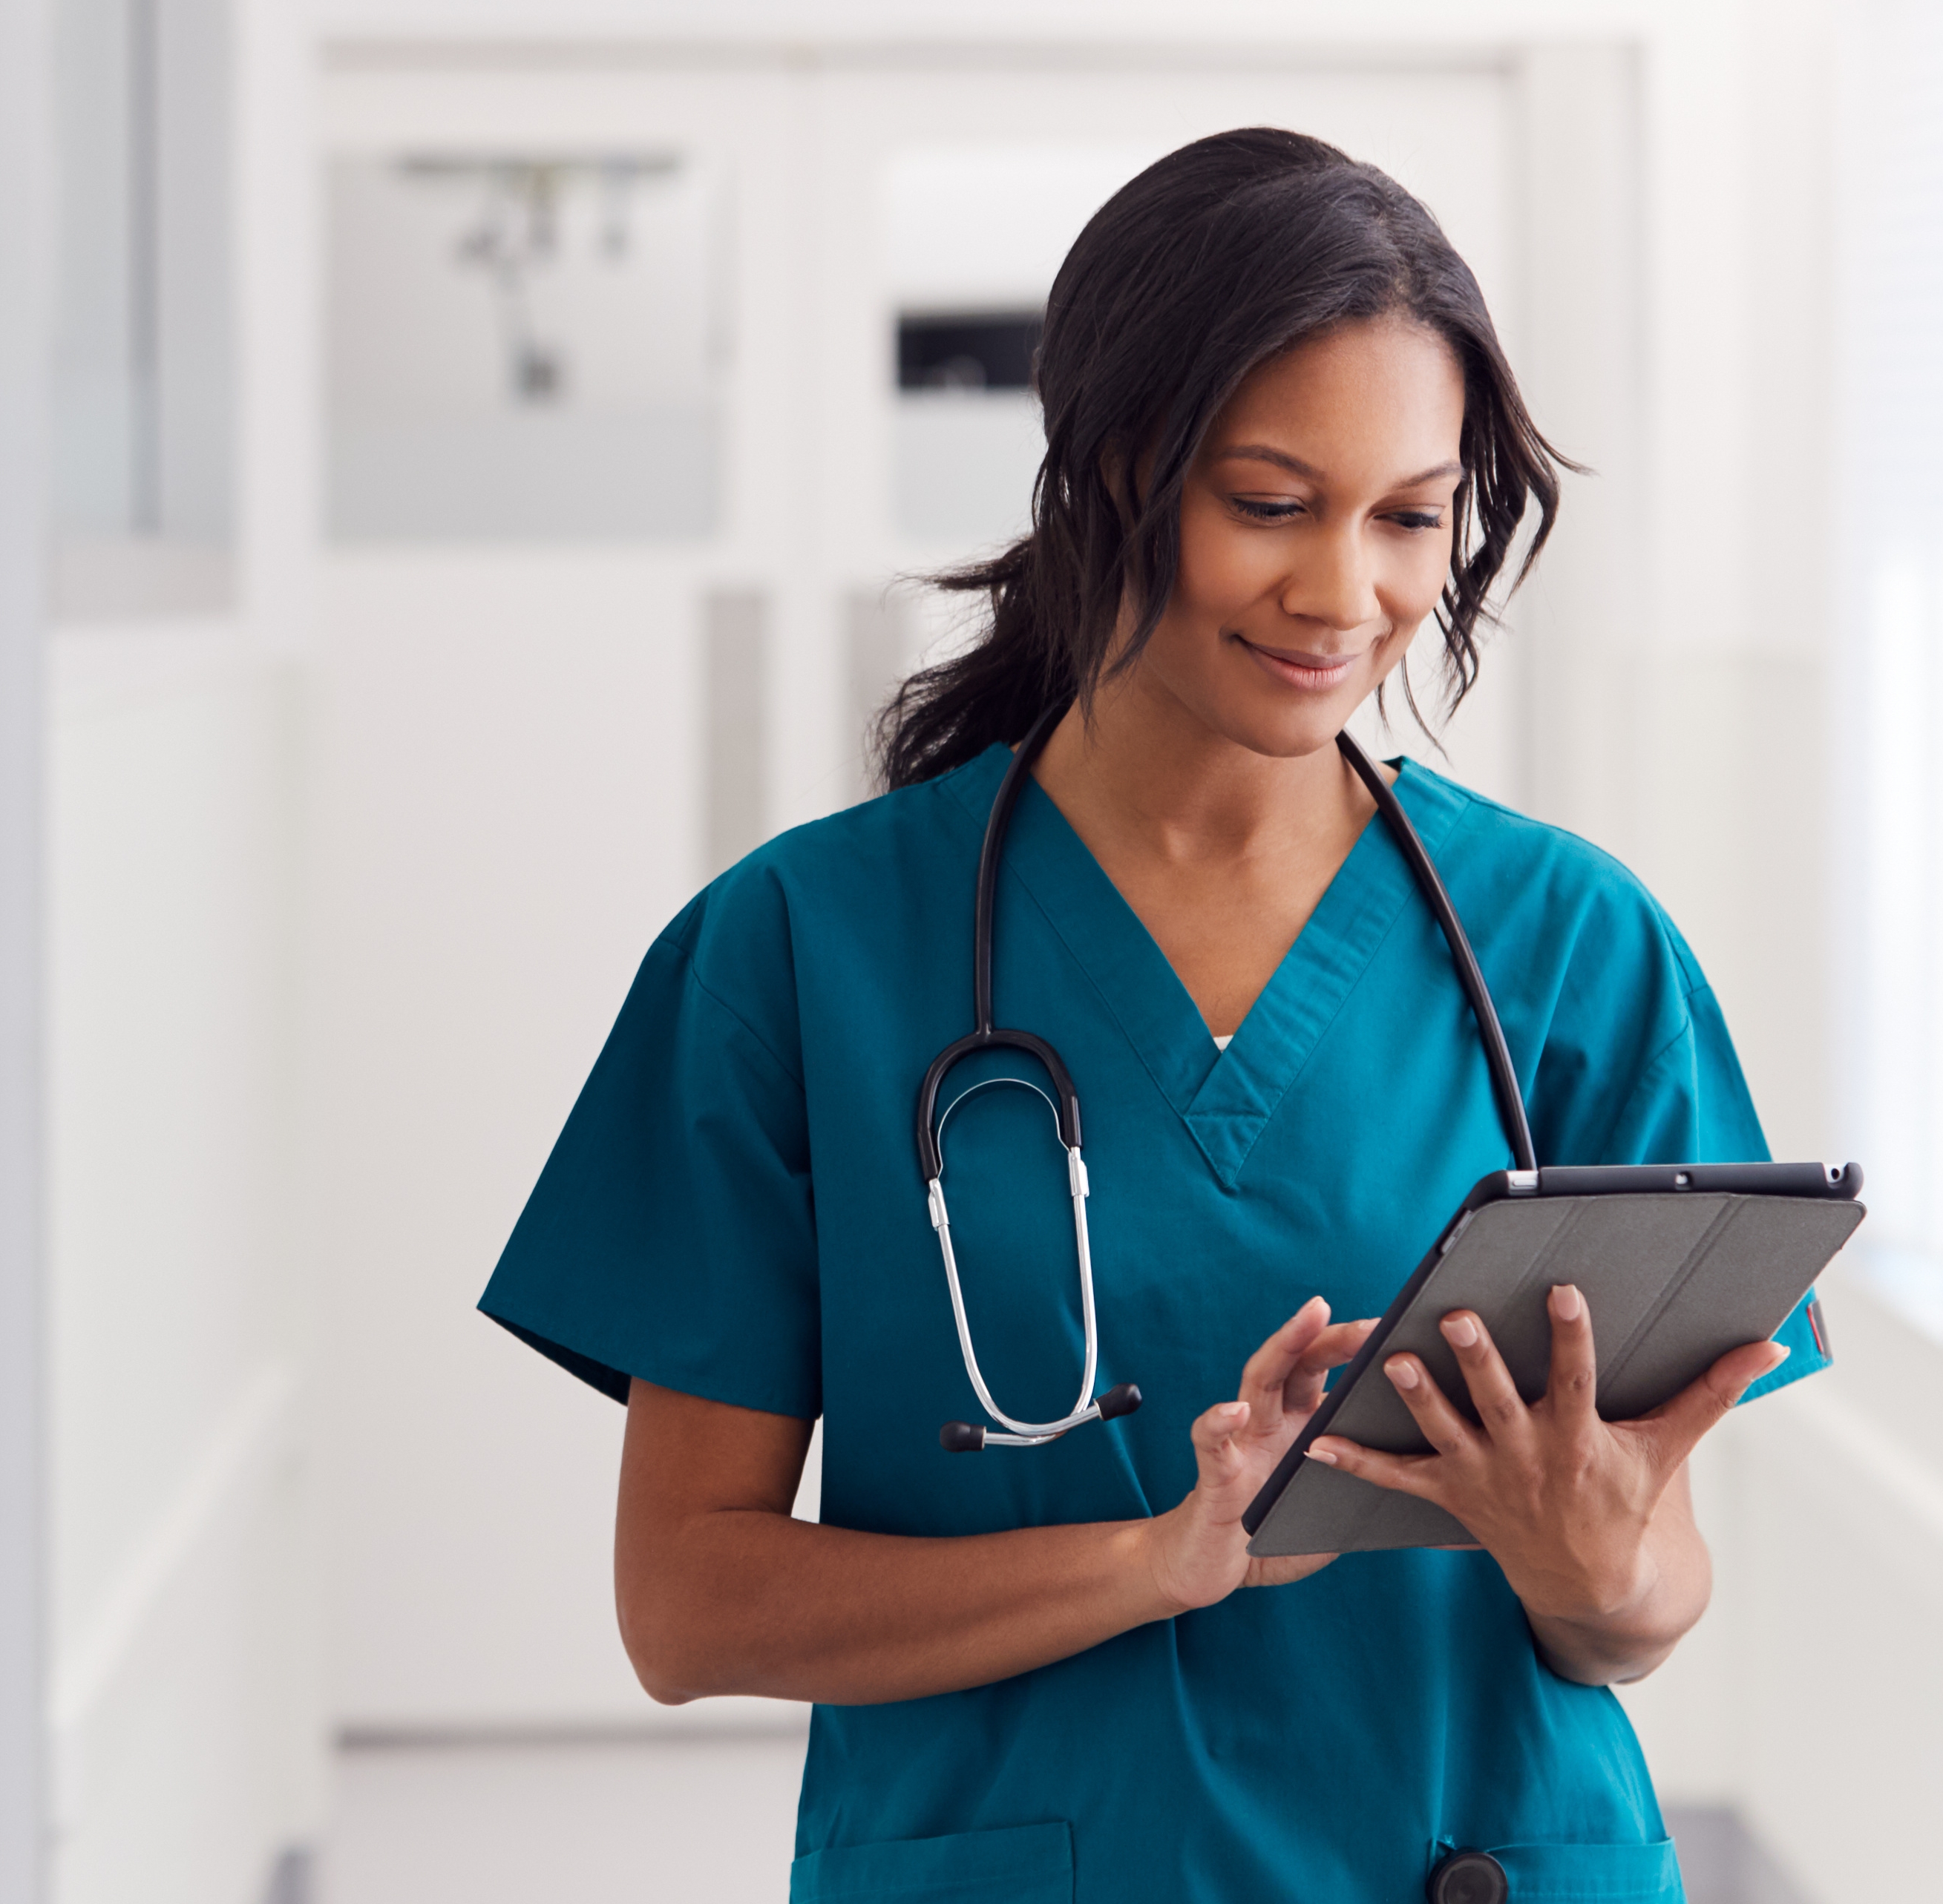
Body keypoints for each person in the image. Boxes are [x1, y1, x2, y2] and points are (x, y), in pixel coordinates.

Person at [475, 128, 1826, 1904]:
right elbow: (687, 1605)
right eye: (1271, 503)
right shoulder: (799, 952)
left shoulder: (1569, 949)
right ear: (1116, 472)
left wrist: (1593, 1564)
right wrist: (1158, 1557)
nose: (1346, 594)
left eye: (1408, 517)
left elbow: (1643, 1611)